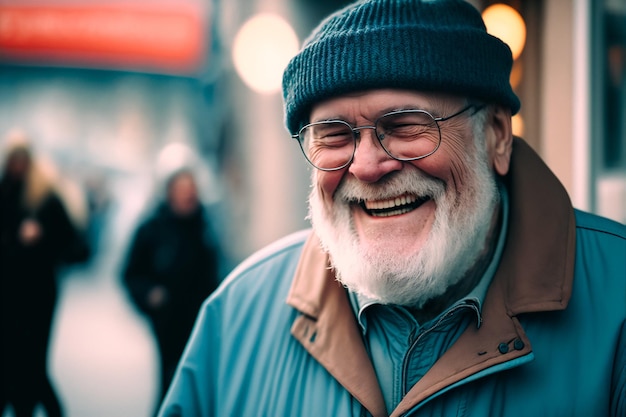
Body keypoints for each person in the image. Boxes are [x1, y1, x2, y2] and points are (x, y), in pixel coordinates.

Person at [158, 1, 626, 416]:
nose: (366, 166)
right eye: (335, 136)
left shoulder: (617, 301)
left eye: (405, 125)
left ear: (497, 135)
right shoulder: (237, 315)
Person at [0, 131, 88, 417]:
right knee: (10, 357)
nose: (17, 166)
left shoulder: (45, 199)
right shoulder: (3, 194)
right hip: (6, 292)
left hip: (38, 293)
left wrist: (44, 238)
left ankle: (42, 407)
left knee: (31, 359)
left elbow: (76, 247)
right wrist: (15, 239)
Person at [121, 168, 222, 416]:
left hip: (201, 317)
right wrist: (149, 296)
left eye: (192, 190)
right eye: (183, 190)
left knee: (201, 384)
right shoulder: (152, 227)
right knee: (171, 381)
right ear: (170, 193)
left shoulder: (205, 226)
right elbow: (129, 273)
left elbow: (218, 270)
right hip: (167, 321)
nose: (189, 196)